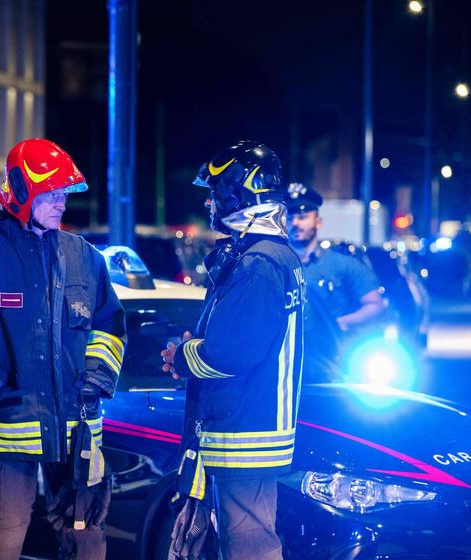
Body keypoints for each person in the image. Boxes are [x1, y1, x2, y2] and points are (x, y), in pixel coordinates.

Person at [0, 138, 126, 560]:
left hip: (78, 433)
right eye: (51, 193)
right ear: (21, 192)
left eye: (64, 194)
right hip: (9, 435)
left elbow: (109, 326)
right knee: (3, 540)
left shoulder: (86, 258)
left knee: (86, 539)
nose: (61, 203)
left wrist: (96, 377)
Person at [161, 141, 304, 560]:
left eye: (215, 191)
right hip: (251, 427)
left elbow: (232, 352)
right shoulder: (273, 257)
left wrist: (182, 355)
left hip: (245, 430)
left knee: (249, 546)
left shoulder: (259, 263)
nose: (209, 201)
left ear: (236, 194)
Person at [284, 183, 386, 381]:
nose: (295, 223)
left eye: (303, 217)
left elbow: (375, 305)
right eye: (290, 217)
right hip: (286, 366)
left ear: (318, 221)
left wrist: (341, 322)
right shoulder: (277, 266)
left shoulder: (343, 265)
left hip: (332, 366)